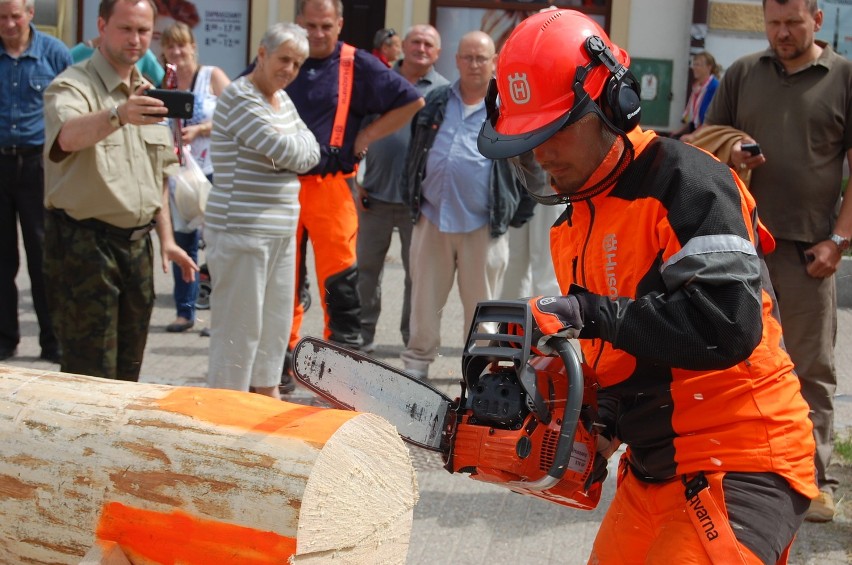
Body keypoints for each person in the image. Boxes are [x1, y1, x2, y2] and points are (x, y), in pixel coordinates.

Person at [478, 9, 818, 563]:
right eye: (528, 137)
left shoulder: (688, 184)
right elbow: (624, 355)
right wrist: (589, 417)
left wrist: (589, 313)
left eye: (556, 130)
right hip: (653, 469)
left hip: (739, 458)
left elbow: (727, 328)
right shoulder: (575, 224)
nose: (541, 153)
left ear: (613, 104)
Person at [704, 0, 852, 523]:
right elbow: (705, 147)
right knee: (737, 362)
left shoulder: (844, 77)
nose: (781, 32)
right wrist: (734, 155)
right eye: (773, 22)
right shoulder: (743, 73)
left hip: (810, 251)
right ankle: (740, 472)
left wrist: (839, 240)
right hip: (743, 251)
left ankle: (813, 479)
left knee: (812, 369)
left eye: (792, 21)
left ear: (817, 19)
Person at [42, 0, 196, 381]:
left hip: (136, 249)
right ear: (102, 26)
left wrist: (167, 238)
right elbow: (67, 135)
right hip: (86, 247)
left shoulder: (146, 92)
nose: (136, 40)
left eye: (144, 31)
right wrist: (118, 114)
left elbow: (154, 173)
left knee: (128, 375)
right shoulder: (73, 84)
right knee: (88, 377)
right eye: (125, 29)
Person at [284, 0, 423, 371]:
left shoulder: (356, 63)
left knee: (342, 283)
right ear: (298, 22)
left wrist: (366, 137)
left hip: (332, 186)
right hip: (282, 187)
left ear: (339, 24)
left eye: (325, 26)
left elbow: (411, 100)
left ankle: (338, 369)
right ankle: (280, 362)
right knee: (283, 280)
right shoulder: (282, 55)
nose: (316, 34)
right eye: (310, 25)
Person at [399, 31, 526, 379]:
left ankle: (479, 378)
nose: (473, 65)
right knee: (423, 304)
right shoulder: (437, 99)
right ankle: (416, 371)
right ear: (455, 60)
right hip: (432, 219)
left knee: (483, 311)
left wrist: (518, 211)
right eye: (467, 57)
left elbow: (530, 162)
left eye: (481, 58)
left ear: (494, 62)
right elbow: (415, 152)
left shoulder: (508, 107)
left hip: (483, 224)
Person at [205, 22, 319, 399]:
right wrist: (292, 152)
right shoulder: (240, 97)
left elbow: (311, 151)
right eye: (284, 59)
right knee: (238, 331)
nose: (290, 69)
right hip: (241, 231)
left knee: (273, 328)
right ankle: (225, 414)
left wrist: (291, 152)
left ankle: (267, 401)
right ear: (262, 54)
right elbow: (291, 152)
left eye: (298, 63)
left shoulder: (281, 99)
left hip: (280, 234)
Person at [355, 24, 448, 353]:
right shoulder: (379, 81)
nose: (421, 48)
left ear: (437, 53)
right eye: (415, 42)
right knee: (365, 270)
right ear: (402, 46)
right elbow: (357, 131)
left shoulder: (443, 91)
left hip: (419, 203)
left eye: (429, 44)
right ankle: (362, 336)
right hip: (373, 195)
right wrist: (356, 181)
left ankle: (412, 341)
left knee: (418, 276)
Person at [0, 0, 71, 364]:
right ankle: (5, 338)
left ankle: (53, 340)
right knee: (2, 260)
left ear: (30, 14)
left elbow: (77, 101)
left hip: (37, 165)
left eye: (16, 15)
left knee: (44, 257)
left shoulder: (55, 53)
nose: (9, 23)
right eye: (2, 17)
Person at [159, 21, 230, 334]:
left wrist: (201, 129)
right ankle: (184, 311)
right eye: (170, 46)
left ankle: (221, 317)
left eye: (181, 45)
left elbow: (237, 115)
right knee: (182, 243)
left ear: (193, 47)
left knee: (218, 245)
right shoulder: (167, 82)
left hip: (213, 171)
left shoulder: (210, 75)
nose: (177, 51)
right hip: (180, 175)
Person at [70, 37, 165, 87]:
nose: (134, 39)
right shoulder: (80, 52)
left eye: (141, 30)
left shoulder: (140, 52)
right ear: (103, 25)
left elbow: (163, 81)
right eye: (125, 28)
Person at [671, 51, 720, 142]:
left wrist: (692, 136)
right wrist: (678, 132)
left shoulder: (714, 87)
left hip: (708, 135)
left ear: (709, 67)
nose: (694, 68)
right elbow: (694, 119)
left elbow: (711, 120)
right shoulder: (697, 88)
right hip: (698, 131)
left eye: (698, 65)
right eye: (694, 64)